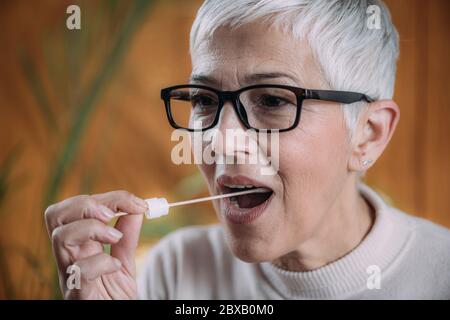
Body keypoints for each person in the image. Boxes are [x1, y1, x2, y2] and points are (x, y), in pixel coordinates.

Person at [45, 0, 450, 299]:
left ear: (369, 134)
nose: (221, 138)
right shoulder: (171, 273)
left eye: (272, 101)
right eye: (204, 100)